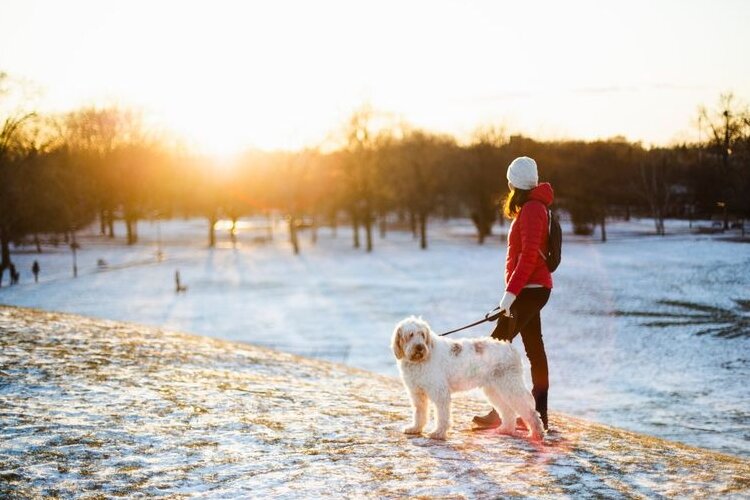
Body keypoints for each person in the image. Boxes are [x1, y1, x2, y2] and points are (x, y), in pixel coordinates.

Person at [473, 156, 554, 431]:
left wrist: (509, 297)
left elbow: (529, 256)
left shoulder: (532, 209)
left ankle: (502, 412)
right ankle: (537, 414)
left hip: (530, 290)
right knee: (534, 350)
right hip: (530, 289)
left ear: (514, 184)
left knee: (495, 345)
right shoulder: (532, 208)